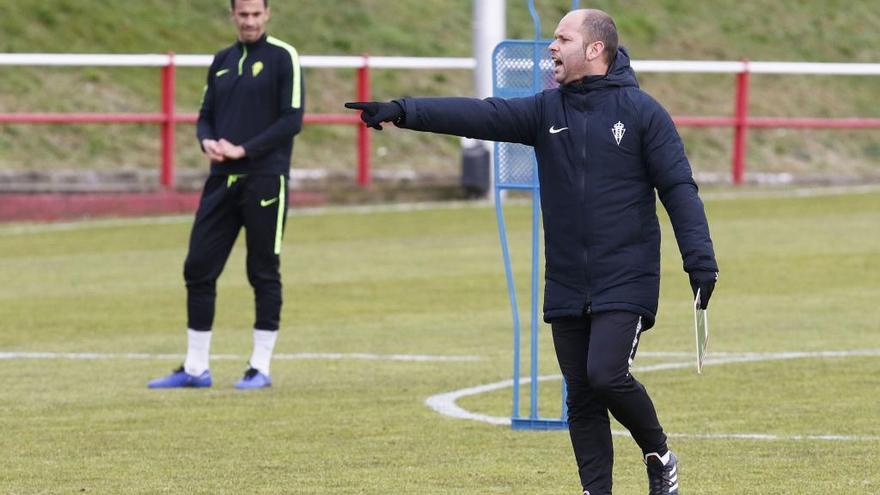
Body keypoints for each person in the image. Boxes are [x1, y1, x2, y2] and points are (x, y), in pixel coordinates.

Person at [345, 8, 717, 495]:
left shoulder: (643, 113)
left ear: (595, 49)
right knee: (581, 396)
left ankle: (659, 453)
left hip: (625, 276)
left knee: (605, 374)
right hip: (565, 278)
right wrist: (402, 110)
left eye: (562, 39)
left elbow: (678, 188)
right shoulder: (545, 110)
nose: (551, 48)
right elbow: (479, 114)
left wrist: (700, 258)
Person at [149, 0, 304, 390]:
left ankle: (259, 367)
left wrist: (245, 149)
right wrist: (207, 142)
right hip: (221, 179)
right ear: (232, 15)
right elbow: (205, 115)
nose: (249, 21)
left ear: (267, 14)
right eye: (243, 14)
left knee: (262, 270)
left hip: (266, 179)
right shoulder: (221, 60)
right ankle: (196, 368)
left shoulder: (284, 58)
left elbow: (292, 120)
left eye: (256, 14)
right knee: (197, 266)